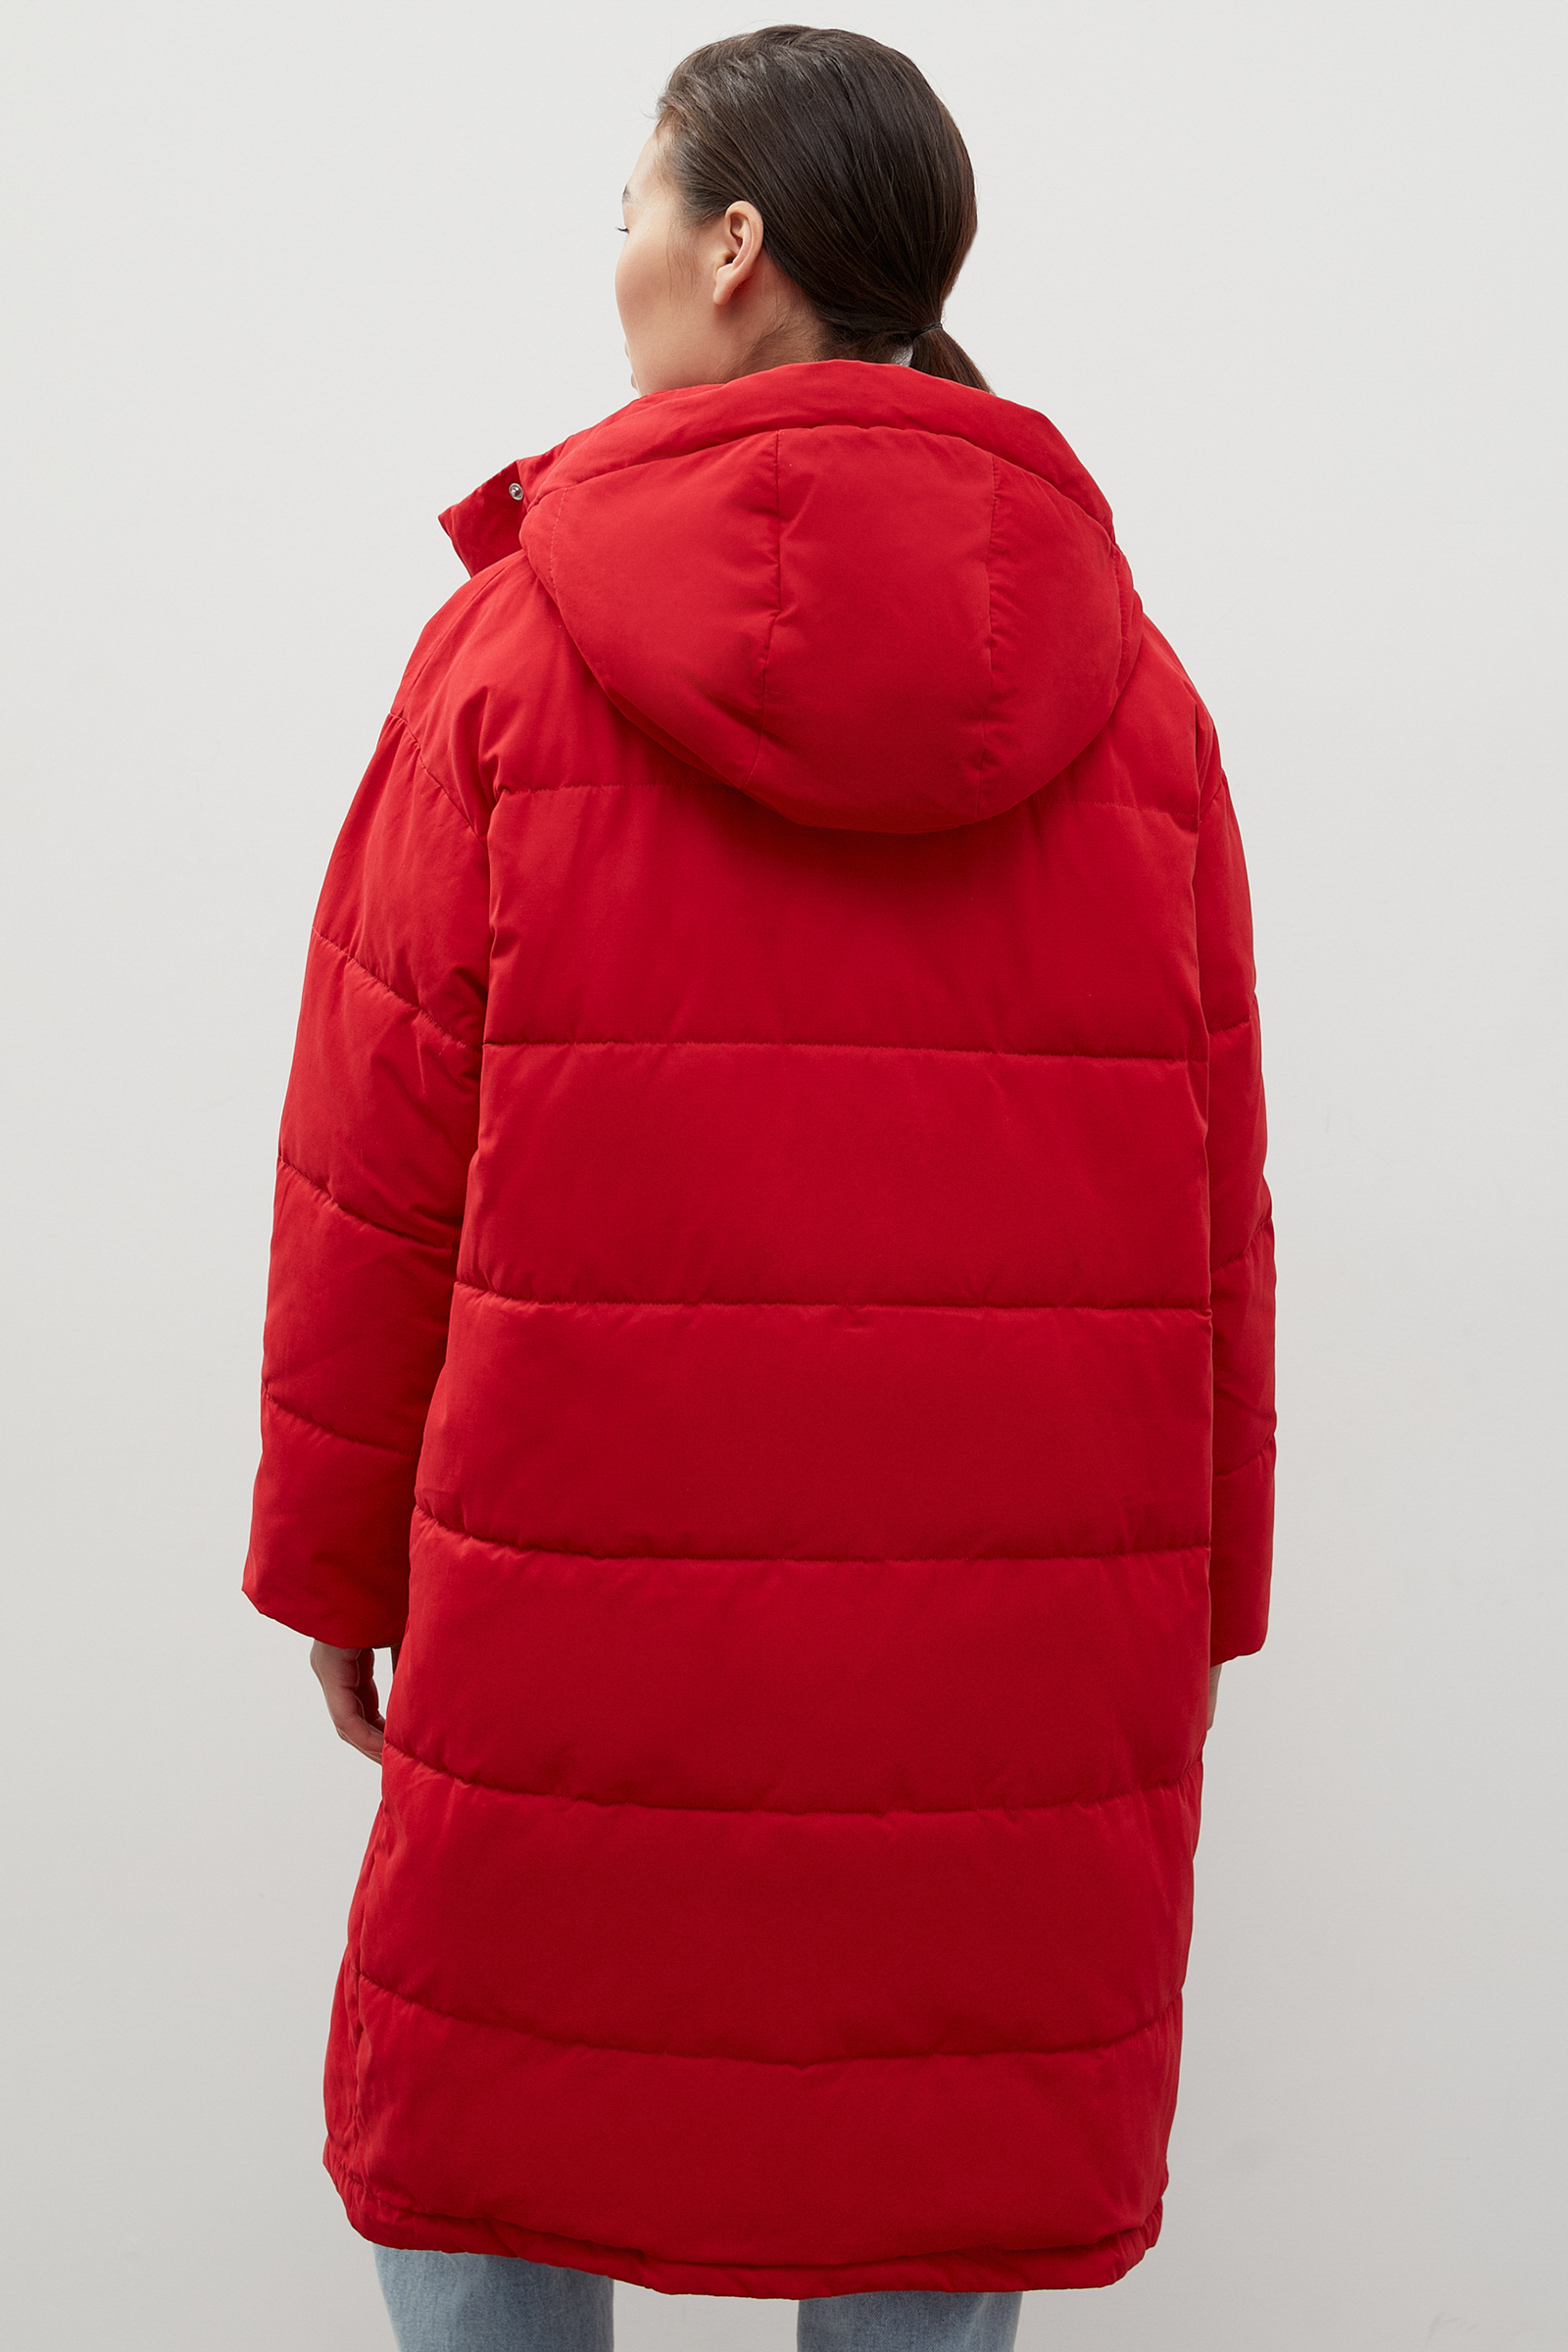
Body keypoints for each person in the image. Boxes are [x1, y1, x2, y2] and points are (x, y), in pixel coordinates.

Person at [243, 24, 1275, 2352]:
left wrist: (333, 1553)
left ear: (731, 248)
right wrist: (1200, 1598)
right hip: (1009, 1639)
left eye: (628, 208)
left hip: (574, 1607)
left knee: (504, 2097)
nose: (610, 255)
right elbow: (1215, 1204)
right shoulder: (1138, 701)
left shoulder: (505, 656)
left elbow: (372, 1154)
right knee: (941, 2130)